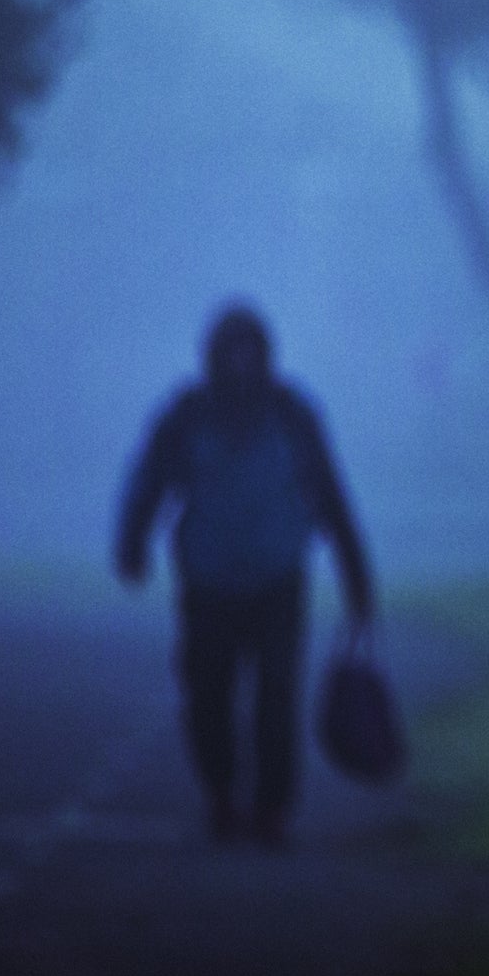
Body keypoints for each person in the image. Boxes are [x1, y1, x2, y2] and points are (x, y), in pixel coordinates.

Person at [115, 305, 376, 848]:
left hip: (278, 581)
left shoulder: (292, 414)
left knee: (277, 698)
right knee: (207, 695)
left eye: (250, 352)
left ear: (266, 355)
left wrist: (357, 579)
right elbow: (151, 481)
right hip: (207, 583)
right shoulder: (186, 415)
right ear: (213, 356)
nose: (240, 364)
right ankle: (221, 795)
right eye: (231, 352)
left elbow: (330, 497)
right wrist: (133, 543)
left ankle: (272, 809)